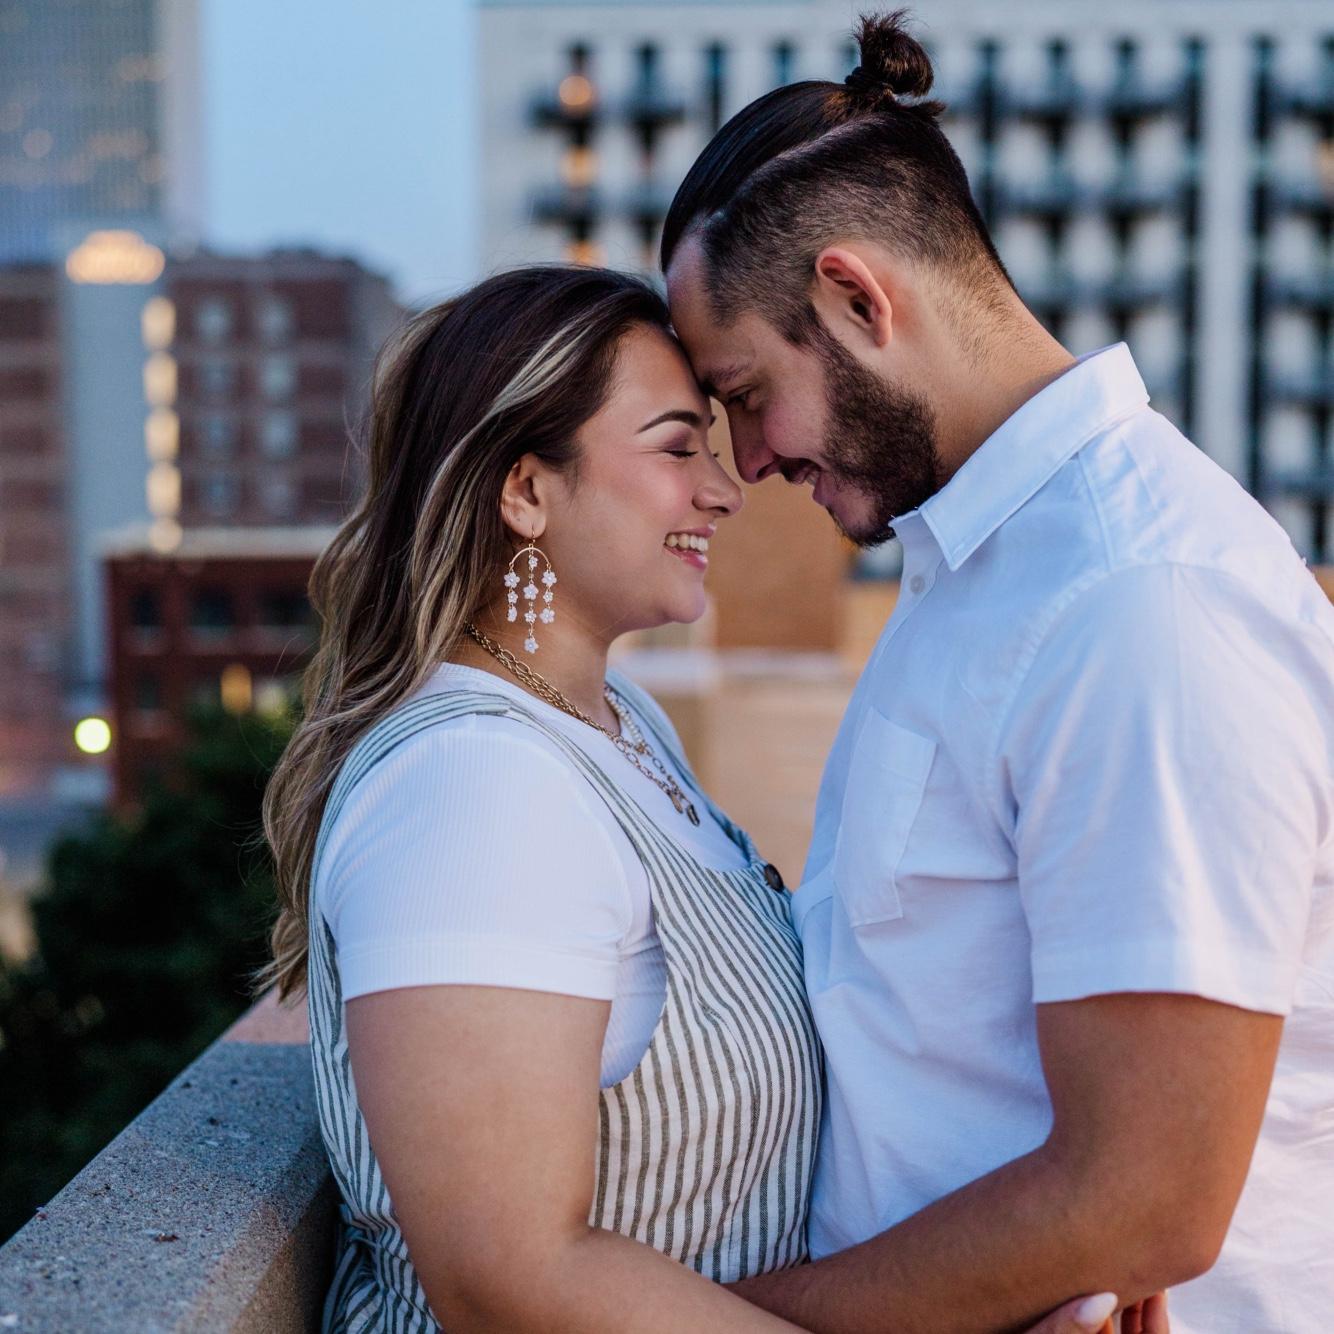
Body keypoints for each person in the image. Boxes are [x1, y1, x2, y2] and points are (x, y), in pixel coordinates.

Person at [256, 265, 1133, 1334]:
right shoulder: (471, 786)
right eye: (677, 449)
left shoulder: (620, 724)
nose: (724, 490)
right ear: (524, 490)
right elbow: (504, 1279)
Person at [661, 9, 1334, 1334]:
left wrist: (726, 1320)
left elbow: (1145, 1201)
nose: (748, 459)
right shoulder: (982, 566)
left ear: (856, 299)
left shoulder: (1138, 601)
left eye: (742, 393)